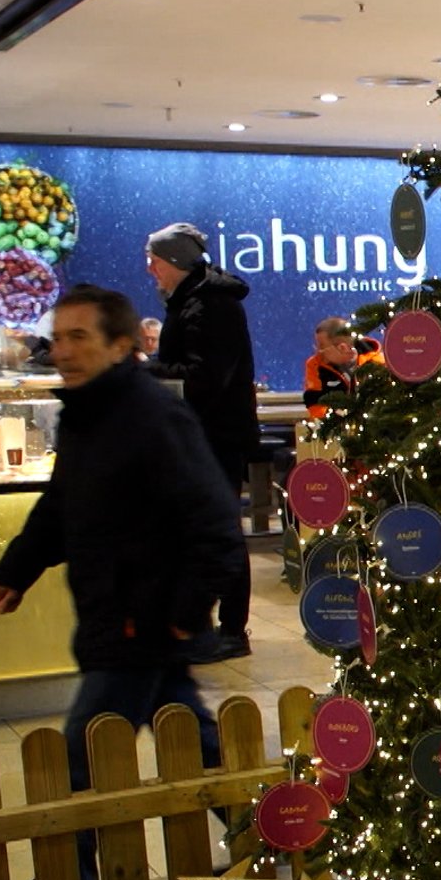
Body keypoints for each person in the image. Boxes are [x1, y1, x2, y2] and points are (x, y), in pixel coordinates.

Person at [0, 284, 240, 880]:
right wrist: (19, 566)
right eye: (60, 336)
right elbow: (61, 503)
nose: (64, 350)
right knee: (200, 747)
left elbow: (214, 524)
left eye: (80, 337)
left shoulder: (154, 417)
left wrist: (183, 614)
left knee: (76, 764)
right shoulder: (87, 414)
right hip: (118, 620)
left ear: (121, 345)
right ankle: (278, 840)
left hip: (139, 628)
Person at [145, 222, 258, 660]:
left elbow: (203, 378)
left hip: (217, 438)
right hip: (199, 437)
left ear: (174, 261)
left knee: (221, 531)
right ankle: (203, 624)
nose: (149, 267)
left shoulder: (212, 304)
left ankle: (232, 630)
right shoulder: (190, 301)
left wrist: (146, 370)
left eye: (154, 259)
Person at [302, 317, 383, 420]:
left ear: (342, 348)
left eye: (322, 347)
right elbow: (314, 402)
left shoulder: (377, 364)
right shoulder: (315, 365)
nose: (318, 352)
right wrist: (334, 417)